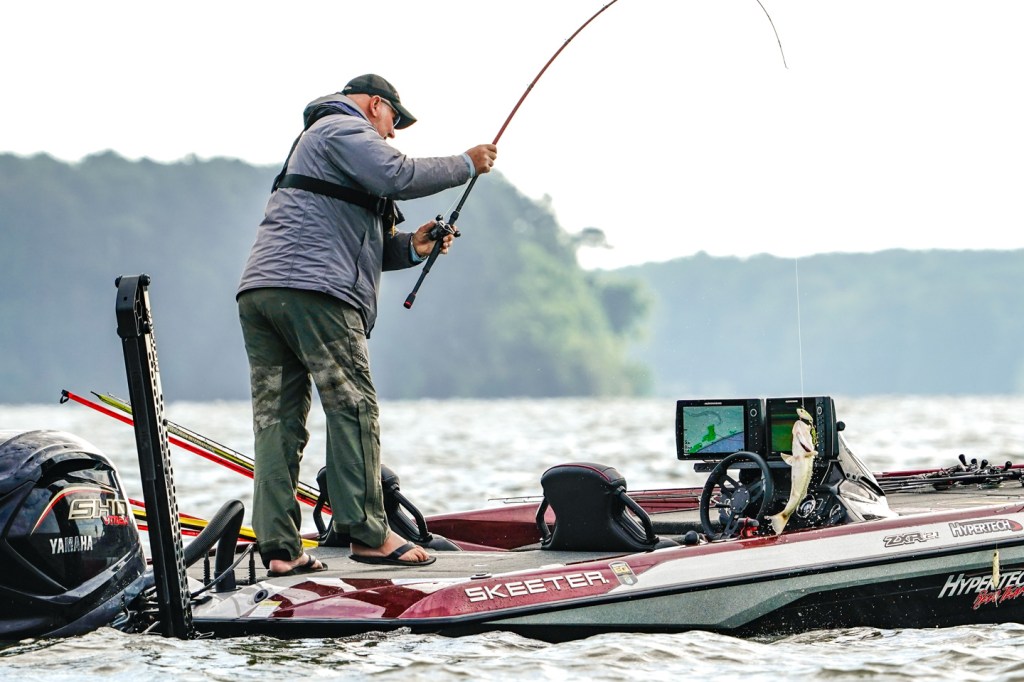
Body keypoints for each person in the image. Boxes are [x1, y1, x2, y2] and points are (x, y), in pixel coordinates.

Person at [237, 74, 498, 576]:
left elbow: (362, 247)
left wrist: (413, 246)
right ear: (375, 104)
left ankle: (281, 549)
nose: (393, 133)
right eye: (394, 120)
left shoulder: (323, 146)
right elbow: (398, 175)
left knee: (277, 422)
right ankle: (369, 534)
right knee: (353, 407)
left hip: (264, 293)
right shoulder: (341, 126)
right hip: (315, 295)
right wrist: (467, 163)